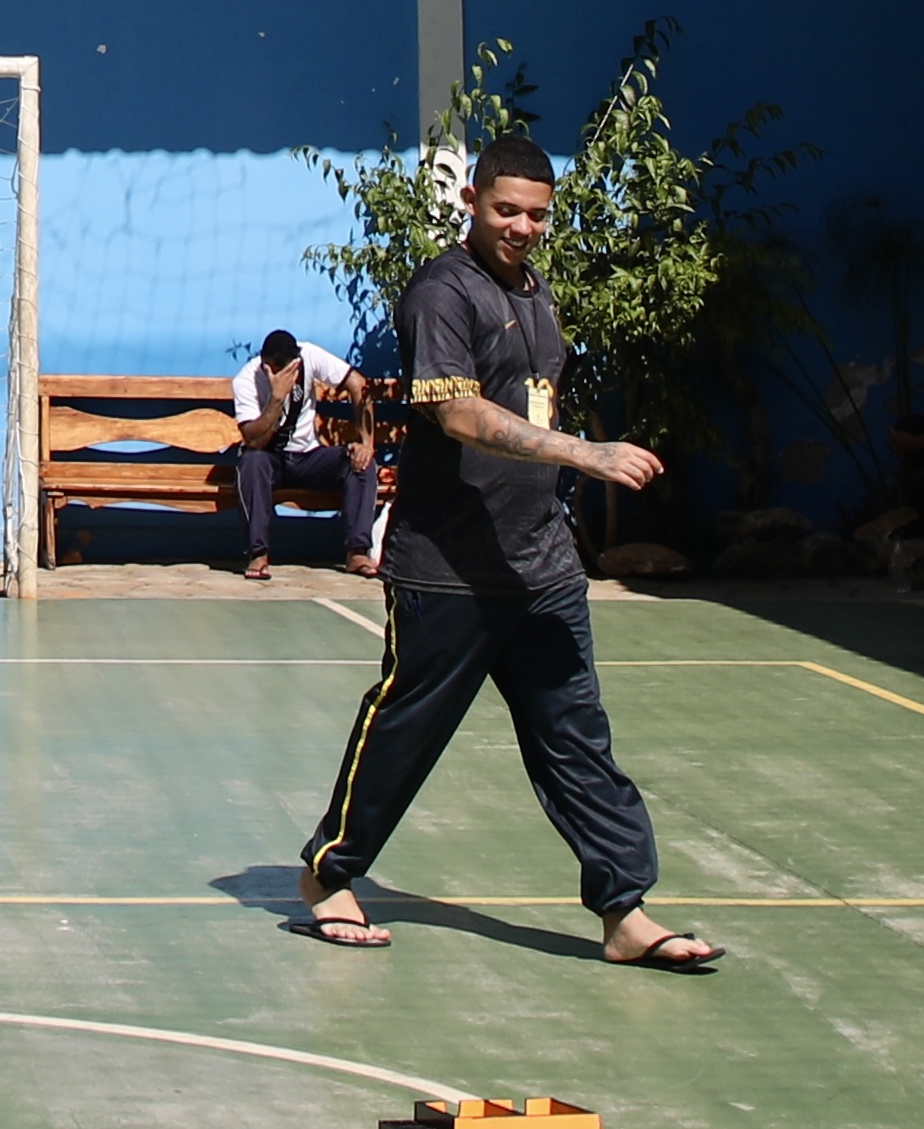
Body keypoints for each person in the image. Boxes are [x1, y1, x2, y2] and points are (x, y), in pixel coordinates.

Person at [294, 134, 722, 971]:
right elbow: (457, 414)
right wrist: (584, 453)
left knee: (576, 737)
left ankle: (624, 911)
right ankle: (328, 872)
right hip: (447, 569)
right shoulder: (440, 293)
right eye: (505, 211)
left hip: (541, 565)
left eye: (536, 216)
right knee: (407, 728)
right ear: (471, 202)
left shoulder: (534, 290)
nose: (522, 228)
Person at [221, 328, 374, 581]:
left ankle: (357, 552)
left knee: (360, 462)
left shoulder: (309, 355)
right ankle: (258, 554)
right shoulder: (247, 380)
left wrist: (365, 442)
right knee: (251, 462)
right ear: (266, 366)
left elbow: (358, 384)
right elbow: (254, 440)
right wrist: (276, 398)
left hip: (308, 457)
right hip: (270, 459)